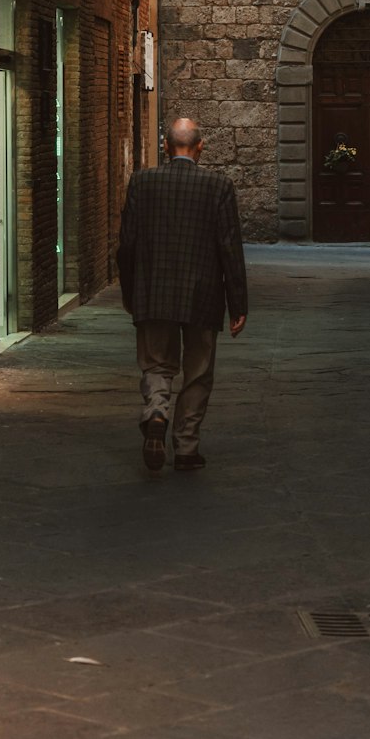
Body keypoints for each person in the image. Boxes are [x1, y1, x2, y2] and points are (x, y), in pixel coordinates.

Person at [117, 117, 248, 473]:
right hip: (203, 295)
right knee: (198, 371)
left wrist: (130, 292)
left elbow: (126, 244)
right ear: (201, 147)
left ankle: (157, 411)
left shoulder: (142, 182)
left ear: (165, 146)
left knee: (157, 363)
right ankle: (187, 447)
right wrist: (238, 304)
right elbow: (230, 249)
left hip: (154, 293)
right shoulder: (218, 186)